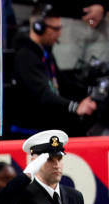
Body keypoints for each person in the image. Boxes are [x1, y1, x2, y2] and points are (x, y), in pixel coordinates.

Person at [10, 4, 97, 136]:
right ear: (39, 28)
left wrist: (91, 91)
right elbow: (43, 95)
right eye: (56, 29)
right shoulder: (25, 55)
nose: (60, 33)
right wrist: (76, 107)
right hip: (30, 134)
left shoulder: (44, 51)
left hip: (46, 128)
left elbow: (63, 83)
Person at [51, 3, 109, 71]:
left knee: (101, 74)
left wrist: (102, 6)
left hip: (99, 24)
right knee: (66, 74)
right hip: (67, 24)